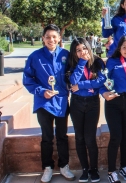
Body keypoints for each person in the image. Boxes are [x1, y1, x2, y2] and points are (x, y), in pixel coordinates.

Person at [23, 24, 75, 183]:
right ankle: (47, 167)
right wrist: (41, 91)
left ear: (60, 38)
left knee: (62, 136)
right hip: (43, 103)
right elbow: (28, 79)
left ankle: (64, 165)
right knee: (46, 137)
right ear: (43, 39)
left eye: (54, 37)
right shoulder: (35, 57)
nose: (51, 40)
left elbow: (73, 75)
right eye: (48, 37)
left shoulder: (66, 55)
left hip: (61, 103)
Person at [100, 35, 126, 183]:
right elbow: (102, 81)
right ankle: (111, 171)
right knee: (116, 136)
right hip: (114, 102)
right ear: (119, 48)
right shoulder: (112, 62)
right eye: (124, 47)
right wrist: (103, 93)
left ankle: (123, 166)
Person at [67, 38, 106, 183]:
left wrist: (82, 85)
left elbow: (101, 80)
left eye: (84, 48)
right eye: (78, 50)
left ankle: (94, 169)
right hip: (76, 103)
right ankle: (85, 169)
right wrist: (82, 62)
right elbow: (73, 81)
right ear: (74, 52)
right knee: (79, 137)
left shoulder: (97, 62)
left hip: (92, 103)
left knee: (90, 138)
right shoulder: (72, 63)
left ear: (89, 47)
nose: (82, 52)